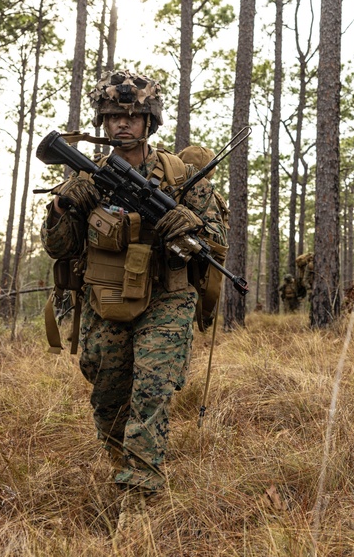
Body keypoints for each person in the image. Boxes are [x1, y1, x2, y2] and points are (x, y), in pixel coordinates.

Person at [40, 69, 227, 533]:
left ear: (150, 121)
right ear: (101, 122)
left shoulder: (180, 175)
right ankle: (125, 466)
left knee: (152, 389)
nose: (122, 124)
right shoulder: (88, 177)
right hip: (106, 297)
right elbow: (60, 248)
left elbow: (218, 239)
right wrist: (64, 207)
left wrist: (189, 225)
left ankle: (138, 498)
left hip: (167, 296)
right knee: (107, 398)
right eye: (112, 116)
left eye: (133, 115)